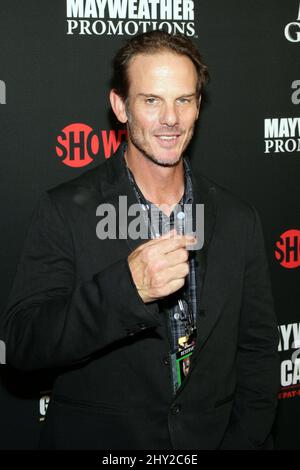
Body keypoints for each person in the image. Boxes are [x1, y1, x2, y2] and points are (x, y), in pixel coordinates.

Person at [1, 30, 279, 450]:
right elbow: (23, 343)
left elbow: (258, 353)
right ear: (120, 107)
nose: (171, 118)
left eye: (183, 100)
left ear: (198, 106)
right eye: (152, 100)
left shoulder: (237, 219)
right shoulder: (67, 210)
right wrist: (126, 289)